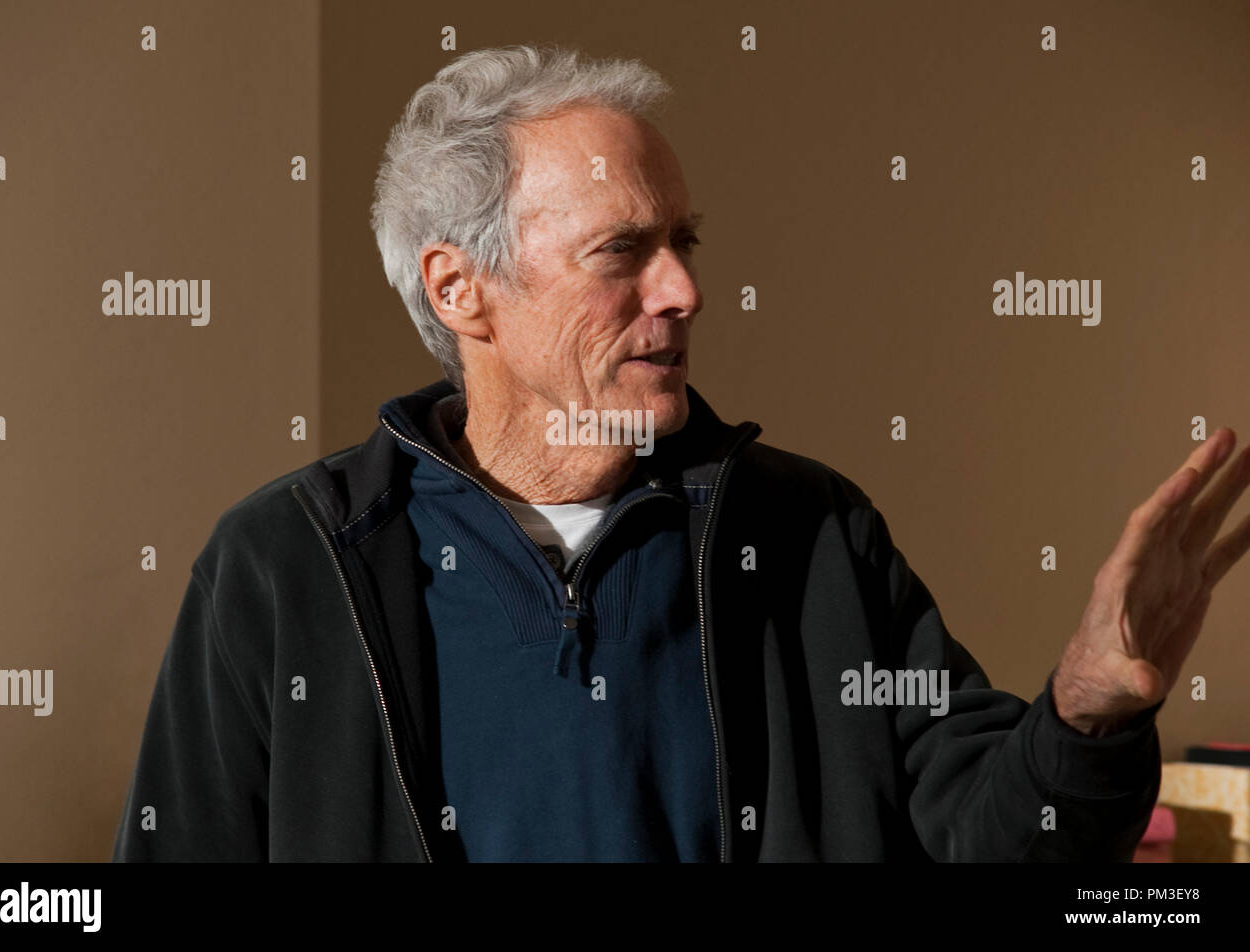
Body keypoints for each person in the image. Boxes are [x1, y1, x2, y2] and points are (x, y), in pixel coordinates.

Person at [112, 43, 1250, 862]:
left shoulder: (812, 536)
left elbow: (992, 837)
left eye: (683, 243)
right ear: (461, 289)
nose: (684, 291)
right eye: (624, 252)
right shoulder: (280, 565)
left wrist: (1090, 707)